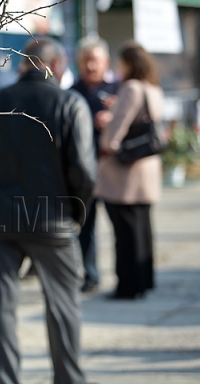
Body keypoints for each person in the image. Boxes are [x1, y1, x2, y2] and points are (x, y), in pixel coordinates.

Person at [0, 37, 95, 384]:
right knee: (63, 309)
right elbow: (84, 172)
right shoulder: (70, 103)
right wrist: (75, 215)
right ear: (57, 66)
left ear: (24, 64)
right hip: (52, 220)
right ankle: (68, 379)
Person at [94, 41, 164, 300]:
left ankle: (128, 286)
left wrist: (105, 125)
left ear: (128, 63)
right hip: (146, 168)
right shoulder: (152, 87)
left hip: (125, 174)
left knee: (125, 234)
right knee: (143, 229)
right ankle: (144, 280)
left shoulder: (131, 87)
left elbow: (113, 136)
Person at [70, 35, 118, 293]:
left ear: (106, 62)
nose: (91, 66)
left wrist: (114, 115)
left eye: (95, 61)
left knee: (119, 223)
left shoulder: (118, 89)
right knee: (85, 226)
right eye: (86, 61)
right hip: (84, 170)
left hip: (113, 170)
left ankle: (124, 274)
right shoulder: (72, 93)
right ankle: (90, 275)